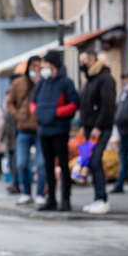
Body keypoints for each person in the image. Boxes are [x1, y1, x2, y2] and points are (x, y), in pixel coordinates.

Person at [31, 51, 79, 212]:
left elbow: (73, 105)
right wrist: (38, 113)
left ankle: (65, 200)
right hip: (44, 130)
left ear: (54, 66)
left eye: (45, 65)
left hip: (59, 130)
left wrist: (54, 113)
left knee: (63, 166)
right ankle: (51, 199)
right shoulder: (40, 84)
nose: (43, 69)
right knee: (48, 166)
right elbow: (33, 103)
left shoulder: (66, 83)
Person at [77, 49, 116, 214]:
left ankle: (102, 199)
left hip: (99, 129)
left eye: (84, 60)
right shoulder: (91, 80)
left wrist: (98, 127)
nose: (82, 64)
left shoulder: (105, 79)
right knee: (91, 162)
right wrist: (84, 125)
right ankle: (97, 198)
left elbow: (107, 107)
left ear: (92, 60)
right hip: (89, 128)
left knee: (95, 161)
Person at [6, 56, 46, 206]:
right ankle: (26, 193)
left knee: (41, 163)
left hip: (40, 128)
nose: (36, 70)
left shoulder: (44, 82)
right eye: (33, 67)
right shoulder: (19, 83)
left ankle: (41, 193)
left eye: (39, 67)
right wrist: (17, 115)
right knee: (21, 163)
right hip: (23, 129)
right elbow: (9, 103)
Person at [1, 87, 20, 194]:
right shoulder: (8, 114)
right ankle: (14, 184)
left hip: (16, 141)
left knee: (16, 164)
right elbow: (5, 129)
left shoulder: (15, 113)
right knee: (12, 165)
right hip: (9, 143)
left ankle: (16, 184)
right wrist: (1, 139)